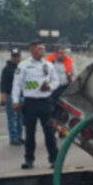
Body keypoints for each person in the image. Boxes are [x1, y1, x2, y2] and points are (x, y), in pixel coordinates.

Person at [12, 41, 59, 169]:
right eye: (39, 49)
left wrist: (49, 87)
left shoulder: (48, 65)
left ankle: (54, 159)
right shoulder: (24, 65)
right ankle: (29, 159)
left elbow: (56, 81)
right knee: (30, 133)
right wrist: (15, 101)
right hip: (30, 102)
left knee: (49, 132)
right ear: (32, 50)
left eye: (43, 49)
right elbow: (17, 84)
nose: (42, 52)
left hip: (45, 102)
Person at [0, 49, 23, 146]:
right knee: (12, 117)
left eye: (18, 56)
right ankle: (13, 138)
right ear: (12, 57)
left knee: (20, 117)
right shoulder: (7, 69)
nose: (16, 58)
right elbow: (3, 83)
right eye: (14, 56)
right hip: (10, 95)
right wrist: (3, 95)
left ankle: (19, 136)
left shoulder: (22, 68)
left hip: (21, 94)